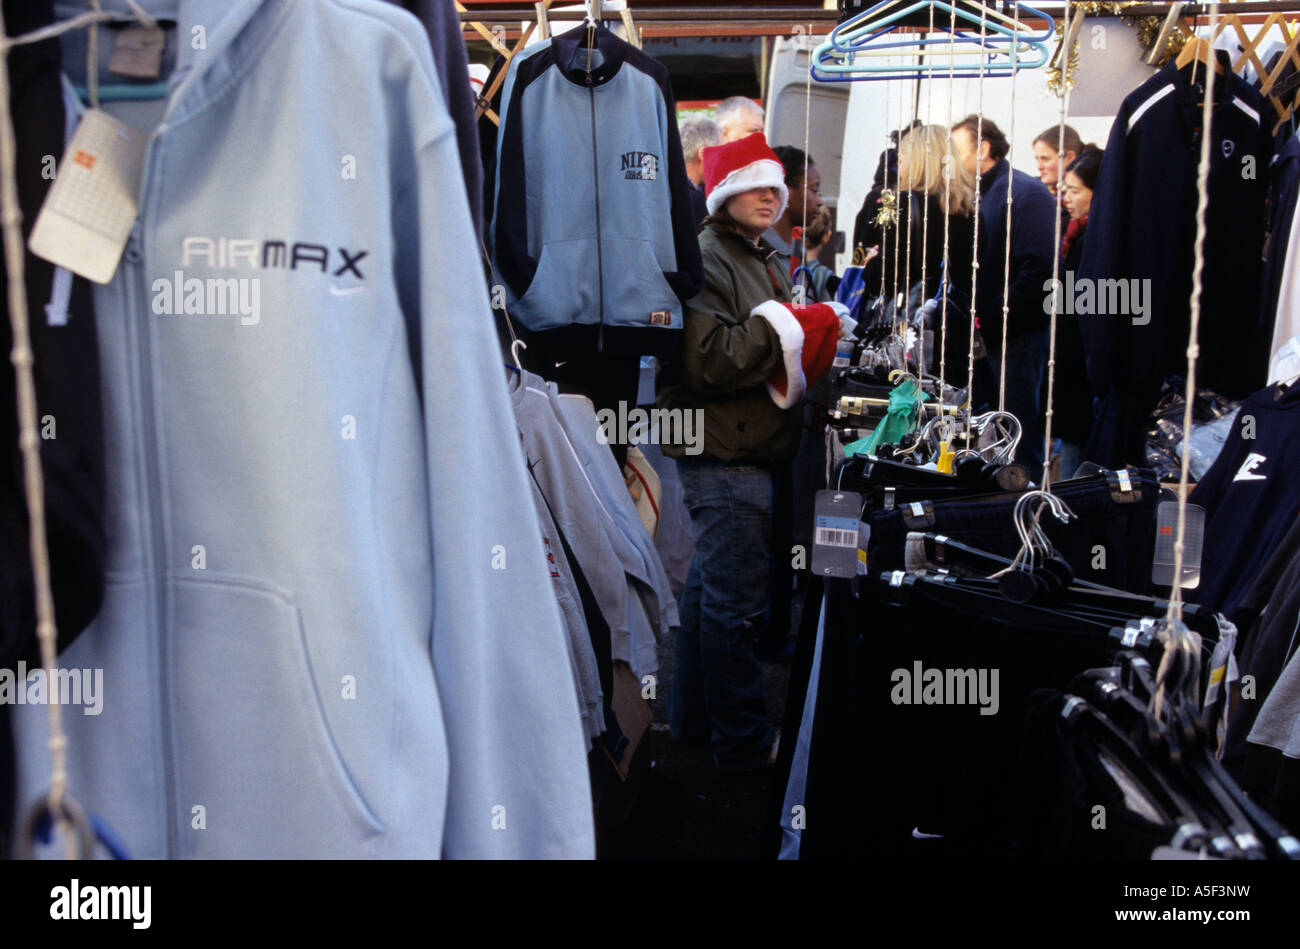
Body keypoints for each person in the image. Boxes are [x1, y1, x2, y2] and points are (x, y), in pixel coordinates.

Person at [657, 132, 840, 771]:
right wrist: (797, 325)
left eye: (776, 186)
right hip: (725, 449)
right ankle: (742, 738)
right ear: (726, 194)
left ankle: (692, 721)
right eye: (756, 186)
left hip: (738, 443)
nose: (771, 195)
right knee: (732, 604)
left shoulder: (752, 253)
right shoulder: (710, 254)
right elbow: (709, 358)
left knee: (711, 594)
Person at [951, 115, 1057, 472]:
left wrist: (995, 315)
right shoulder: (985, 193)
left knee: (1018, 435)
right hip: (994, 333)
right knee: (996, 430)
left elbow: (1039, 268)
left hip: (1017, 336)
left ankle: (1022, 504)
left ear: (982, 149)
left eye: (956, 151)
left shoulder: (1024, 193)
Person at [857, 123, 979, 385]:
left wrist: (870, 264)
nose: (897, 167)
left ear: (915, 162)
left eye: (900, 159)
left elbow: (886, 278)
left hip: (909, 330)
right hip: (952, 328)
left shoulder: (902, 204)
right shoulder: (968, 208)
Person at [1050, 147, 1103, 479]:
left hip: (1084, 371)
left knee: (1076, 458)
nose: (1065, 197)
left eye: (1074, 190)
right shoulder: (1076, 233)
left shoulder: (1094, 239)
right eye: (1064, 189)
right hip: (1072, 366)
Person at [766, 145, 824, 283]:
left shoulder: (797, 252)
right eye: (814, 190)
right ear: (786, 192)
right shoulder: (761, 255)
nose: (820, 201)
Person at [680, 116, 722, 229]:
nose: (722, 161)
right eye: (720, 152)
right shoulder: (693, 201)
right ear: (703, 153)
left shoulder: (667, 188)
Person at [1032, 124, 1084, 199]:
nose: (1039, 167)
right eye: (1037, 159)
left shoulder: (1088, 198)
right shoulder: (1033, 191)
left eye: (1045, 159)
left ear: (1069, 157)